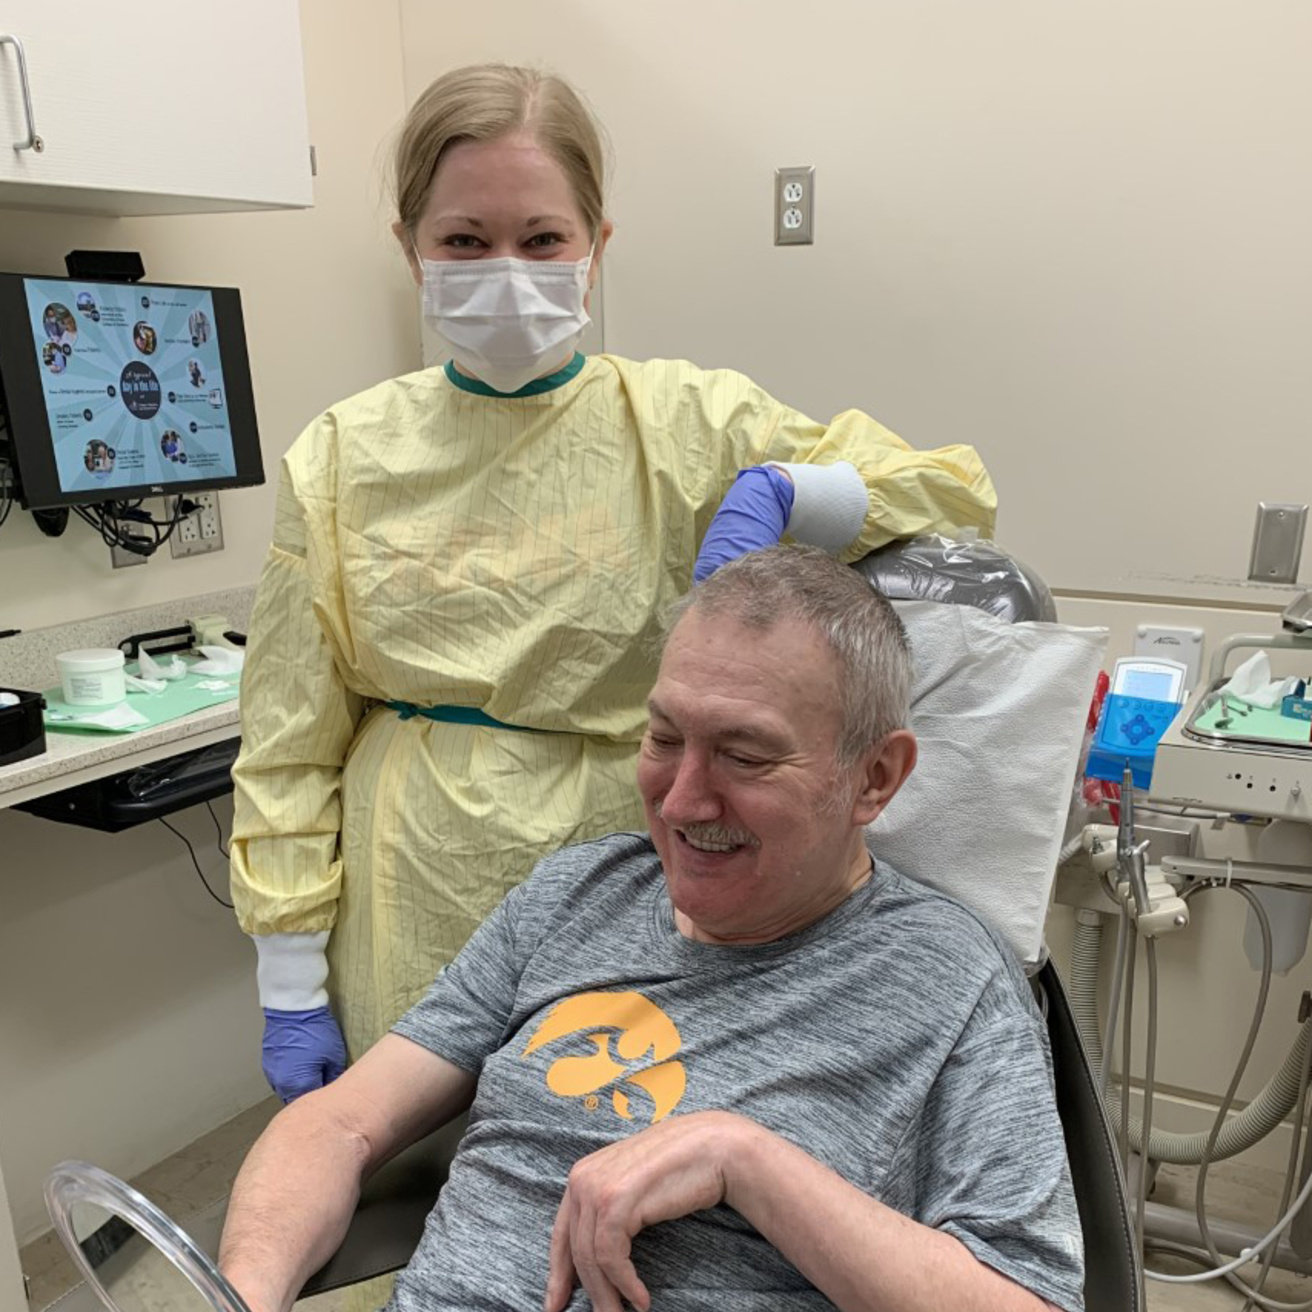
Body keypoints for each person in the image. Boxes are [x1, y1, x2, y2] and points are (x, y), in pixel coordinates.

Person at [230, 63, 1000, 1118]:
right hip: (410, 879)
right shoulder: (339, 456)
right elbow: (287, 738)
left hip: (629, 855)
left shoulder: (688, 422)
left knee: (612, 1165)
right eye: (464, 240)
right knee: (419, 1183)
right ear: (409, 246)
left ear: (597, 245)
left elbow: (951, 488)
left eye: (542, 239)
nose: (505, 271)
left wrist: (789, 490)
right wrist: (289, 984)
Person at [219, 546, 1083, 1312]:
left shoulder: (947, 976)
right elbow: (339, 1124)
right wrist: (246, 1294)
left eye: (744, 756)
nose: (680, 801)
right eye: (665, 738)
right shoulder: (577, 894)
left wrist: (744, 1161)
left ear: (875, 777)